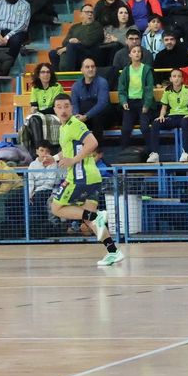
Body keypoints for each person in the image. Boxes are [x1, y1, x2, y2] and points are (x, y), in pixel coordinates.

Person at [47, 93, 121, 267]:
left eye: (66, 106)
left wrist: (74, 160)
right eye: (59, 107)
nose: (63, 110)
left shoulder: (75, 124)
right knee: (91, 221)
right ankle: (113, 252)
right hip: (92, 177)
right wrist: (55, 158)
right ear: (55, 110)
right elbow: (69, 150)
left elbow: (92, 142)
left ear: (72, 108)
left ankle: (97, 215)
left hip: (81, 178)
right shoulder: (65, 128)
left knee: (56, 207)